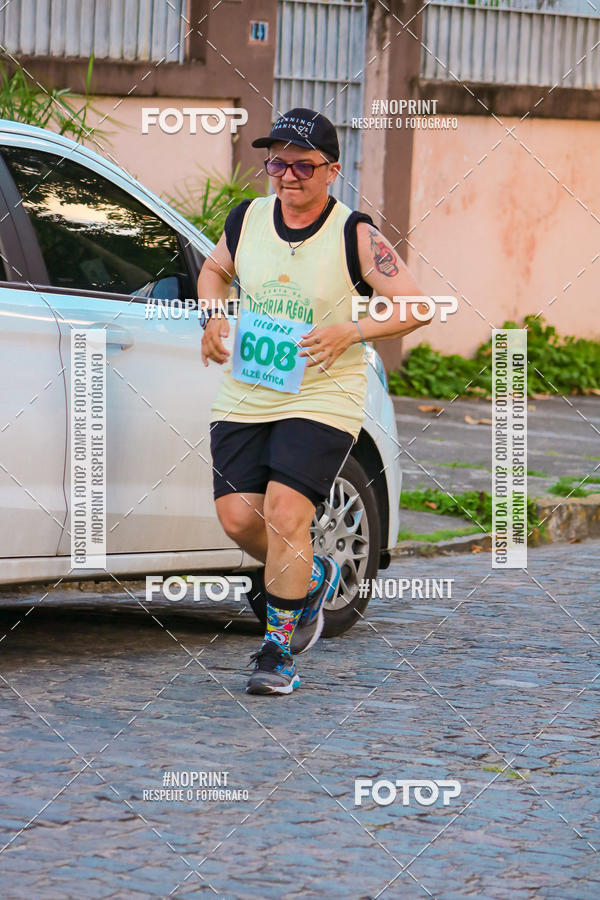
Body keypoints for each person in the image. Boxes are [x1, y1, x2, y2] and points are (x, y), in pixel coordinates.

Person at [197, 107, 431, 695]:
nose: (288, 175)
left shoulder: (356, 235)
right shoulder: (246, 218)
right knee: (238, 517)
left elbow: (415, 306)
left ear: (331, 171)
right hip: (250, 387)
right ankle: (316, 573)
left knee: (285, 514)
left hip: (325, 389)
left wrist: (351, 332)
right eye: (278, 162)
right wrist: (214, 316)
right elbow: (212, 273)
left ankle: (277, 652)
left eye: (304, 165)